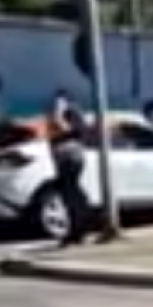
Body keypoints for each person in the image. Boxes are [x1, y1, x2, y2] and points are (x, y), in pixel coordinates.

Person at [47, 89, 91, 246]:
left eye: (58, 101)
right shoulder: (61, 115)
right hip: (65, 159)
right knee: (68, 194)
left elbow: (71, 131)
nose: (54, 104)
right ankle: (75, 230)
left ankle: (78, 230)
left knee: (71, 194)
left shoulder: (70, 114)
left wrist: (59, 115)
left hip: (71, 158)